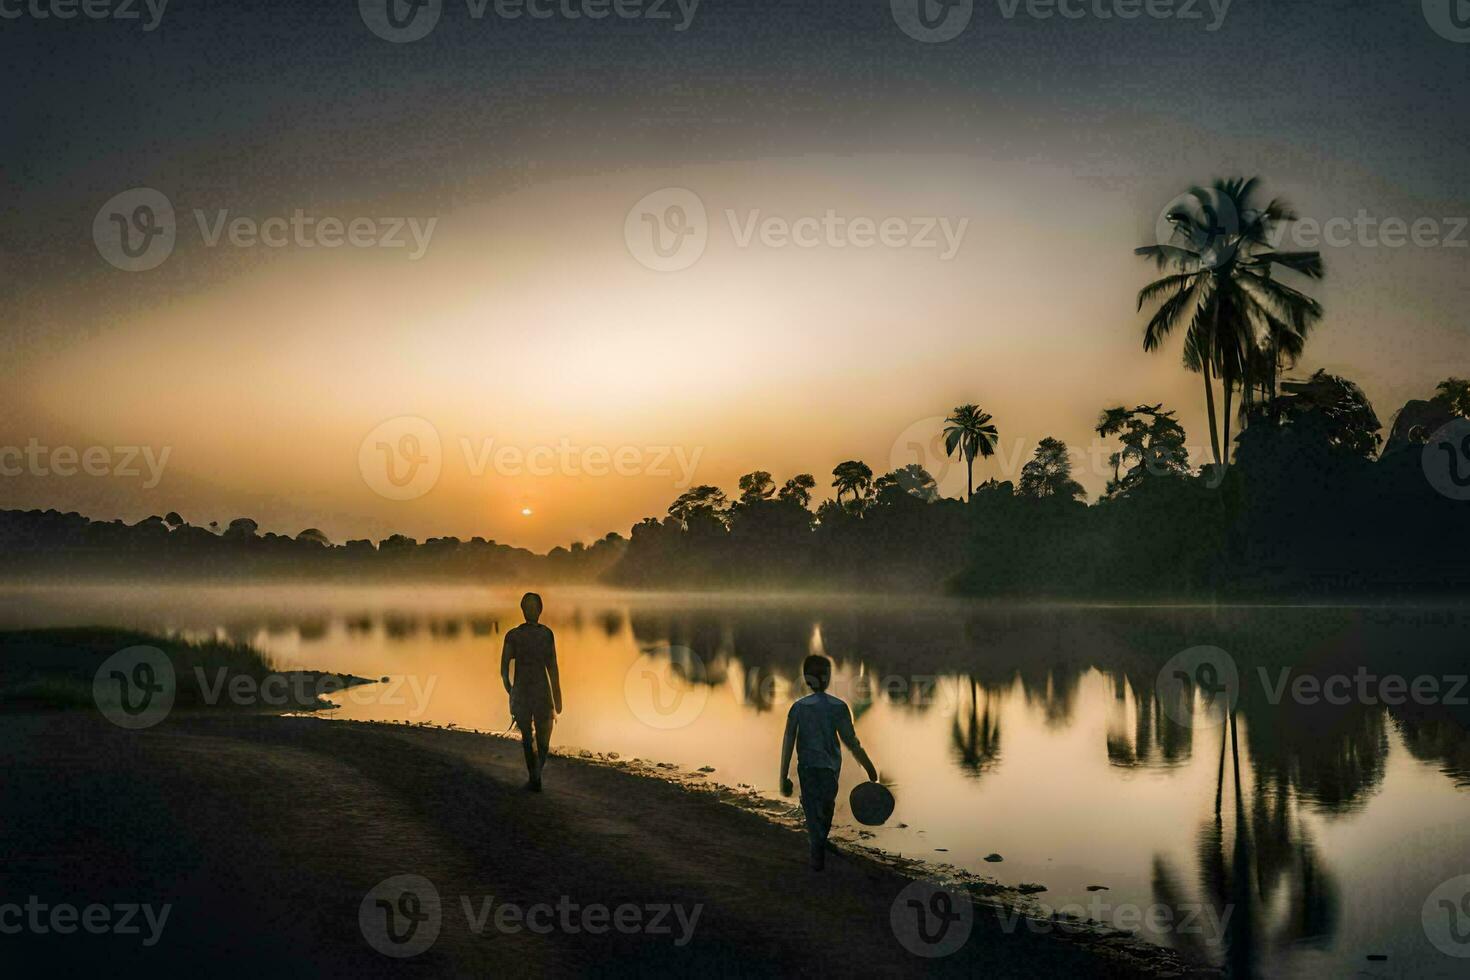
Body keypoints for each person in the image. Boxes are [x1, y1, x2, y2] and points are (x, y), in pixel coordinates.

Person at [779, 654, 878, 870]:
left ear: (806, 679)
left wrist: (783, 776)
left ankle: (818, 845)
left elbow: (788, 742)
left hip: (807, 768)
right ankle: (818, 848)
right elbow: (852, 742)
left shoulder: (798, 707)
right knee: (825, 809)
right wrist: (869, 767)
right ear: (828, 677)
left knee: (813, 810)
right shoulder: (838, 707)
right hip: (829, 770)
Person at [500, 592, 562, 791]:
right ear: (524, 610)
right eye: (529, 607)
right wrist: (511, 690)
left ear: (540, 609)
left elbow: (552, 666)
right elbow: (504, 668)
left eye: (534, 607)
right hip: (525, 692)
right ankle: (534, 776)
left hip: (540, 692)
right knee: (528, 736)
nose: (531, 610)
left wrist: (558, 697)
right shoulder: (514, 635)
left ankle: (536, 775)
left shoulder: (545, 634)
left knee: (542, 737)